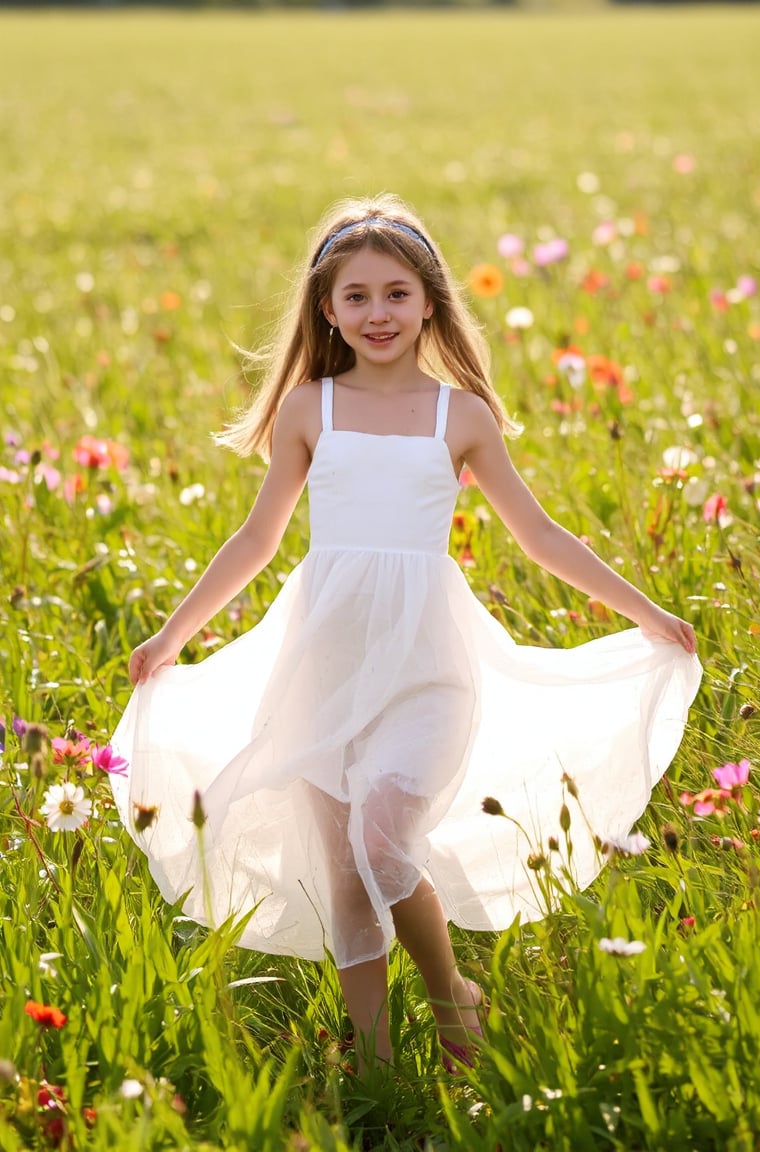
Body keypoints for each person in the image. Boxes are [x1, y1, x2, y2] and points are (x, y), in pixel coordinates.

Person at [111, 193, 701, 1074]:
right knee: (346, 867)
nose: (376, 313)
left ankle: (450, 991)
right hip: (324, 655)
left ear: (430, 301)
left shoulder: (458, 415)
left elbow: (541, 536)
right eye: (357, 296)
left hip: (427, 656)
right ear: (326, 309)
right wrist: (168, 637)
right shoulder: (311, 410)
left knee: (382, 837)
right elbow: (257, 539)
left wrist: (647, 614)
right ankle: (376, 1059)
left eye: (395, 293)